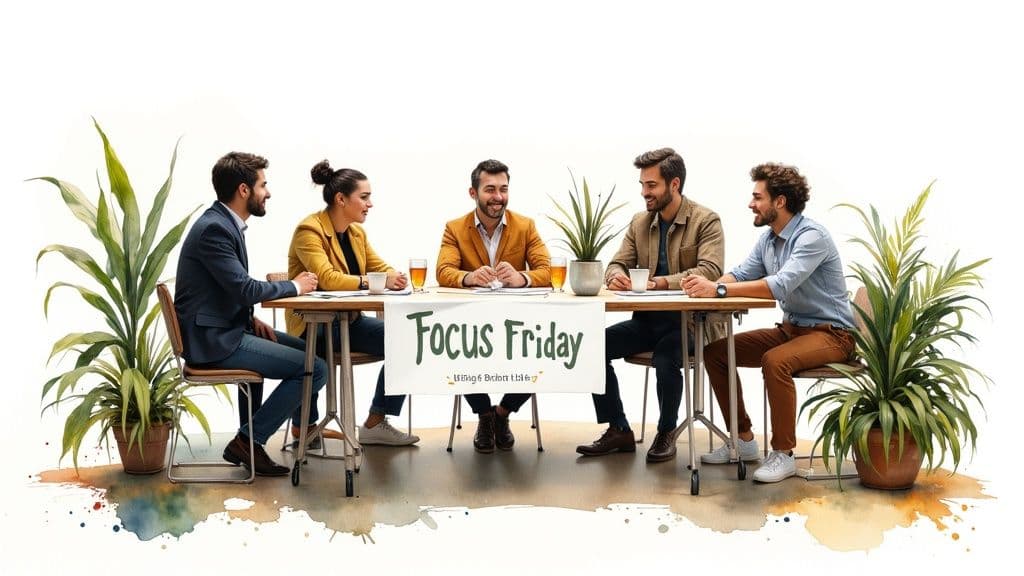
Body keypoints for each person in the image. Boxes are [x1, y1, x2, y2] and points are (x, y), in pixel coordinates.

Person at [681, 162, 856, 483]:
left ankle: (784, 454)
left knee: (774, 361)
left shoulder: (811, 237)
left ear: (780, 202)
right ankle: (744, 440)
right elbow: (742, 273)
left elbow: (780, 285)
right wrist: (706, 289)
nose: (751, 204)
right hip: (792, 331)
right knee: (716, 353)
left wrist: (718, 289)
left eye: (757, 197)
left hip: (833, 336)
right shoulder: (769, 240)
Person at [175, 151, 328, 477]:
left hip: (227, 330)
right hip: (214, 342)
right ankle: (248, 440)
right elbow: (245, 289)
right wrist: (296, 286)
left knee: (310, 351)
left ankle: (258, 440)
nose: (267, 193)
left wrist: (249, 319)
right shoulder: (215, 229)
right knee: (314, 368)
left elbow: (227, 291)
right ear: (244, 190)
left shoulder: (224, 224)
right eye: (263, 185)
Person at [576, 147, 725, 462]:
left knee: (665, 359)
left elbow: (710, 271)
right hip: (647, 322)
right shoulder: (639, 223)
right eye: (642, 185)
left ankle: (666, 431)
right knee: (592, 348)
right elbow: (617, 263)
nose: (645, 192)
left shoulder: (706, 220)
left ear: (674, 185)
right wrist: (616, 277)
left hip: (690, 324)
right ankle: (619, 429)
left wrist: (661, 282)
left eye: (651, 185)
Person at [286, 159, 419, 446]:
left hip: (350, 320)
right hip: (314, 326)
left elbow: (379, 268)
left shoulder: (357, 233)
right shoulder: (309, 231)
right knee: (314, 356)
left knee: (409, 342)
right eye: (364, 197)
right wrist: (370, 281)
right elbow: (328, 278)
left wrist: (393, 276)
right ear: (341, 199)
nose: (370, 204)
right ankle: (304, 426)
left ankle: (375, 421)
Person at [436, 159, 551, 453]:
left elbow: (548, 270)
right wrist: (469, 276)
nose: (498, 197)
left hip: (518, 324)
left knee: (546, 355)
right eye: (490, 189)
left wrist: (521, 278)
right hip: (470, 324)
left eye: (503, 189)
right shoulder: (454, 228)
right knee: (453, 352)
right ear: (473, 193)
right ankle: (484, 414)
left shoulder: (525, 226)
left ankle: (503, 413)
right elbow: (443, 271)